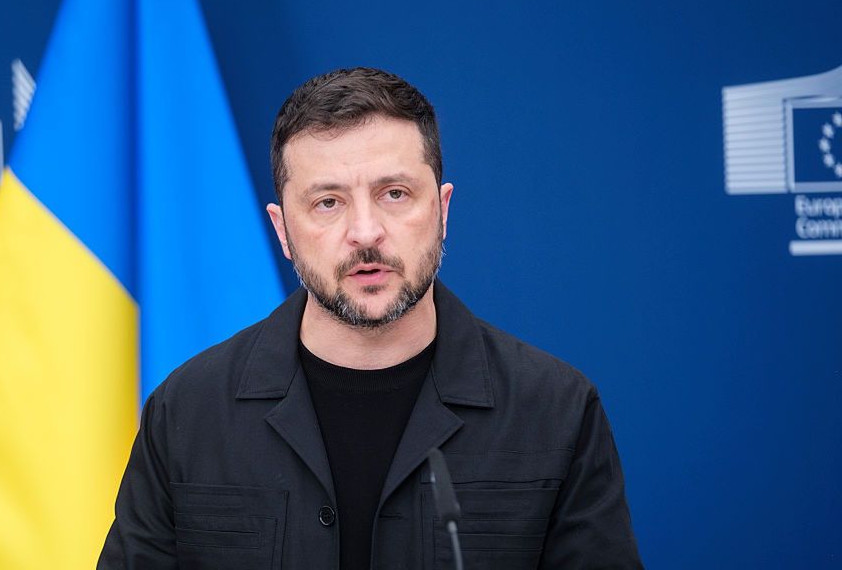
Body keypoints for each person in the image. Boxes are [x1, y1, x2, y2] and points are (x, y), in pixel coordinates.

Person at [98, 67, 643, 569]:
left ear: (442, 211)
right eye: (328, 202)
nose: (365, 232)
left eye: (395, 194)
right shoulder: (187, 411)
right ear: (283, 231)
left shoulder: (556, 410)